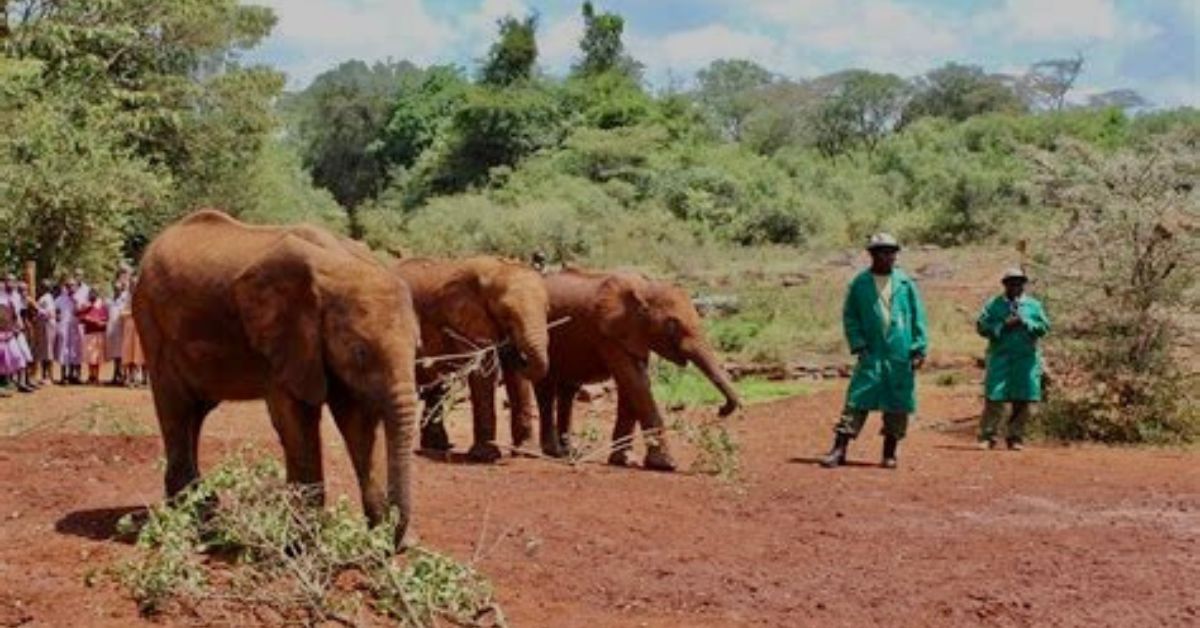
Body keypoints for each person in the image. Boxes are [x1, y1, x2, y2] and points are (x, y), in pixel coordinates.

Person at [821, 233, 928, 469]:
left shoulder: (905, 283)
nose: (887, 256)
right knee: (857, 399)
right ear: (872, 254)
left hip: (900, 352)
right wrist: (858, 343)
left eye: (891, 252)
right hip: (872, 351)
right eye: (882, 251)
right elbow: (850, 316)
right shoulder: (860, 284)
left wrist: (919, 348)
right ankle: (839, 449)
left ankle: (889, 452)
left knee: (898, 403)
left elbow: (918, 316)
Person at [976, 267, 1050, 450]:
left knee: (1023, 398)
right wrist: (1002, 325)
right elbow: (981, 326)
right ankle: (988, 436)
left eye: (1019, 283)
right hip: (1000, 358)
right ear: (1005, 285)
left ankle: (1015, 437)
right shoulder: (993, 305)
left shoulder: (1033, 306)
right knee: (994, 396)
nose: (1016, 287)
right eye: (1011, 283)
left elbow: (1044, 327)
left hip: (1026, 360)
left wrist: (1027, 322)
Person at [55, 277, 84, 384]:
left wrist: (75, 301)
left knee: (75, 351)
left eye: (73, 285)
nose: (71, 288)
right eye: (68, 286)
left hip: (76, 328)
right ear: (65, 287)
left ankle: (74, 375)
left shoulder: (80, 298)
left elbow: (80, 312)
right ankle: (64, 376)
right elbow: (56, 313)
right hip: (64, 328)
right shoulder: (60, 299)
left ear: (76, 287)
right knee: (63, 351)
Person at [120, 274, 146, 387]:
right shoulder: (125, 297)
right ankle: (129, 378)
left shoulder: (143, 297)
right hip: (128, 328)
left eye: (135, 283)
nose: (133, 286)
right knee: (129, 353)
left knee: (138, 353)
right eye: (132, 284)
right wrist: (131, 313)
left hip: (139, 329)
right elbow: (121, 313)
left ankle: (138, 378)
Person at [78, 288, 108, 385]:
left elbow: (105, 319)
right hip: (89, 333)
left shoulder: (102, 306)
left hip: (98, 333)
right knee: (90, 357)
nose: (92, 296)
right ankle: (91, 376)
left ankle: (96, 377)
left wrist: (99, 322)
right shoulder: (86, 306)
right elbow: (80, 317)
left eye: (94, 295)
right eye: (91, 295)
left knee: (97, 357)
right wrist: (88, 318)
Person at [105, 274, 130, 385]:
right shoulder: (109, 300)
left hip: (122, 329)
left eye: (118, 289)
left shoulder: (125, 299)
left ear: (122, 289)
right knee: (115, 355)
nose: (116, 290)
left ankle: (123, 376)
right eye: (115, 288)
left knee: (122, 354)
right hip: (112, 331)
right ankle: (116, 375)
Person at [34, 280, 57, 384]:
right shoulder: (44, 298)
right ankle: (44, 376)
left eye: (43, 286)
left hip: (48, 326)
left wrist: (36, 307)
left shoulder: (48, 298)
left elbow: (50, 314)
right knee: (44, 351)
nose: (41, 287)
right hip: (43, 326)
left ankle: (49, 376)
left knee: (48, 351)